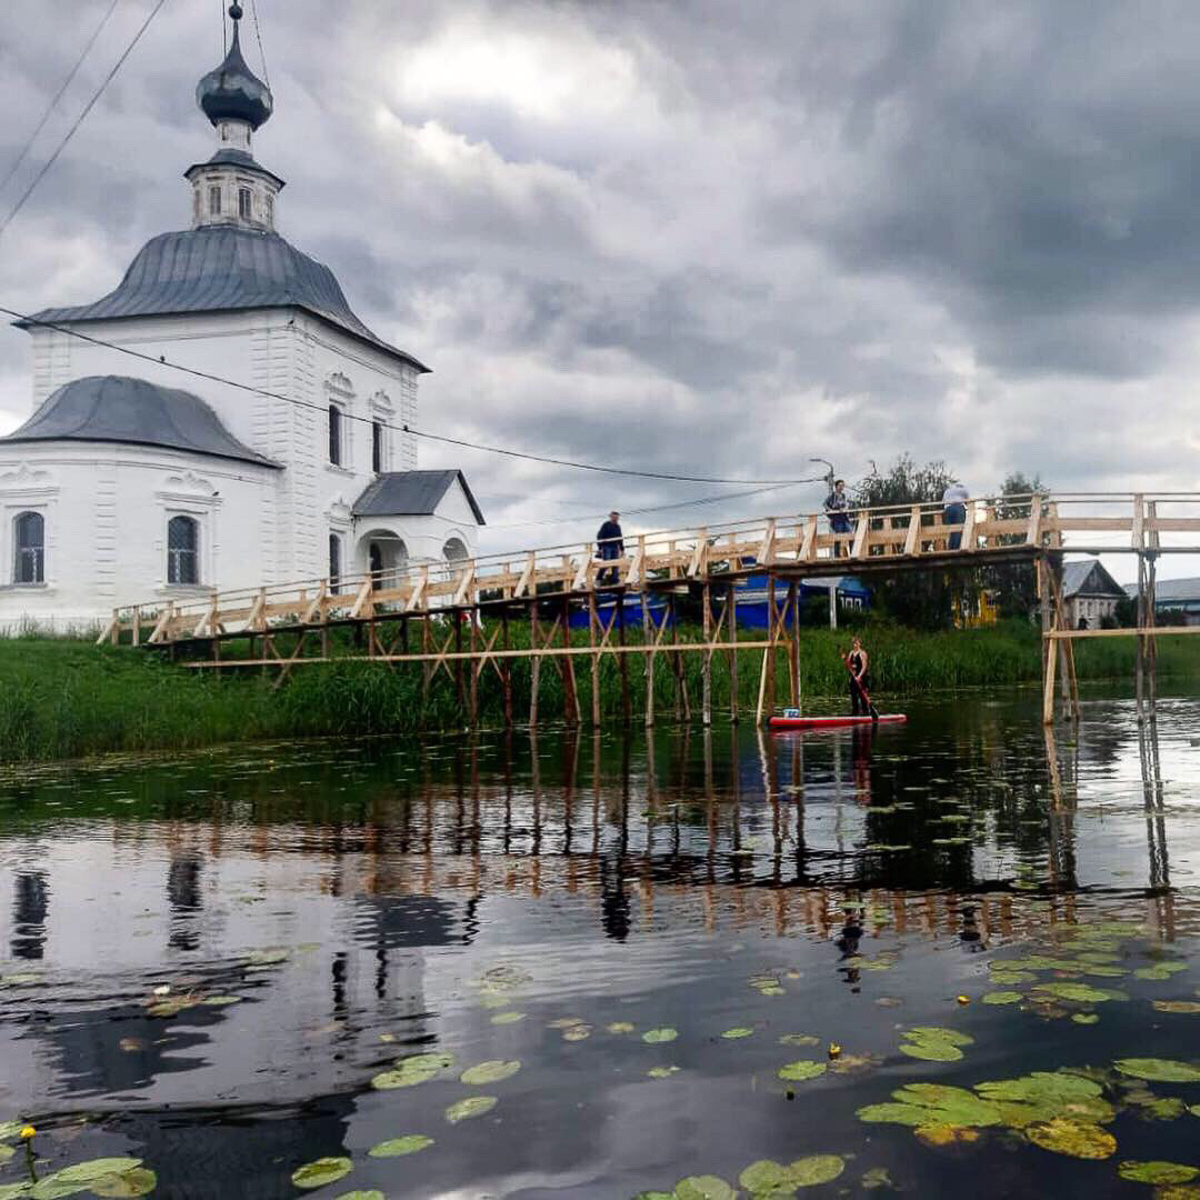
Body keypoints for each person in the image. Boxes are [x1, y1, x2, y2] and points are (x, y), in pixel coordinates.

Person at [824, 479, 852, 556]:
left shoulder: (843, 495)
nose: (841, 487)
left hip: (844, 518)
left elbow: (845, 504)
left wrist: (845, 508)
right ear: (836, 486)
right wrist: (831, 510)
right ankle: (837, 555)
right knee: (838, 536)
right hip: (836, 519)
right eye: (840, 485)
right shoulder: (832, 496)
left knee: (850, 533)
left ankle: (853, 553)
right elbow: (824, 504)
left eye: (843, 485)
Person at [596, 511, 624, 585]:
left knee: (615, 564)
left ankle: (614, 580)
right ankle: (598, 579)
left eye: (617, 517)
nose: (616, 519)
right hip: (606, 546)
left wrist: (622, 549)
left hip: (615, 546)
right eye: (614, 517)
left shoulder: (618, 527)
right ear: (611, 517)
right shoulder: (606, 525)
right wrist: (600, 547)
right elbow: (599, 536)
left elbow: (620, 538)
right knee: (606, 563)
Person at [846, 636, 870, 716]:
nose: (855, 645)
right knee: (853, 696)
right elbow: (849, 665)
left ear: (859, 644)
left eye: (856, 643)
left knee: (862, 697)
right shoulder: (851, 653)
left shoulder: (862, 653)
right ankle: (854, 714)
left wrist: (859, 676)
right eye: (853, 643)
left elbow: (864, 666)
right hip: (853, 677)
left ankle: (866, 713)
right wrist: (846, 661)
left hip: (861, 678)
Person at [942, 481, 969, 550]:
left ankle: (950, 548)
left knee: (950, 530)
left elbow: (943, 501)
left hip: (947, 509)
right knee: (959, 529)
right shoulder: (963, 490)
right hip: (958, 508)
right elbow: (968, 500)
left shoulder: (947, 491)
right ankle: (956, 548)